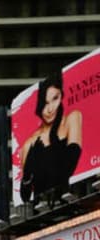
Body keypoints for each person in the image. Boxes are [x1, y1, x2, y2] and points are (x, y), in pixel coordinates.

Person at [20, 70, 83, 204]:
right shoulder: (30, 143)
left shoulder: (72, 119)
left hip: (73, 203)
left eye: (55, 99)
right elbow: (25, 195)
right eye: (45, 103)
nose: (50, 109)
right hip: (43, 213)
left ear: (61, 96)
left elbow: (70, 166)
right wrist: (27, 172)